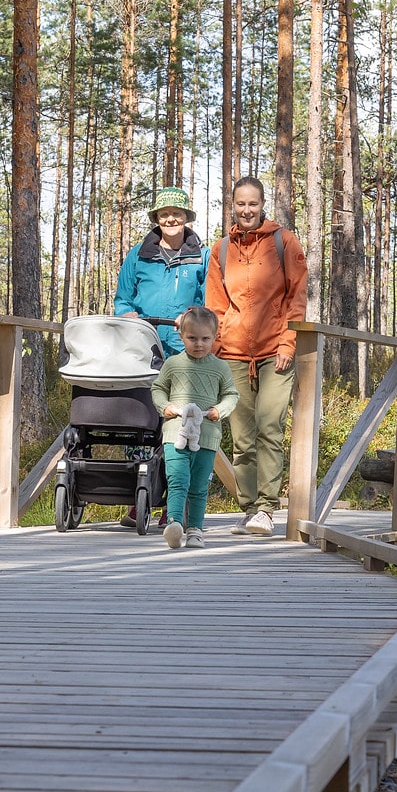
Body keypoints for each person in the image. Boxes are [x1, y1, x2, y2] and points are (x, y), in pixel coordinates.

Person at [205, 176, 308, 536]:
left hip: (274, 352)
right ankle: (248, 509)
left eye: (253, 203)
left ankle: (267, 507)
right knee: (242, 436)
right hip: (232, 354)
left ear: (263, 204)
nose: (246, 210)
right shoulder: (220, 250)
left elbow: (297, 298)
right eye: (240, 204)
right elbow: (215, 305)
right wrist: (215, 349)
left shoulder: (284, 242)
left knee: (269, 427)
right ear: (232, 205)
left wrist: (288, 342)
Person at [152, 306, 240, 550]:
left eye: (205, 339)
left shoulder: (220, 368)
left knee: (199, 486)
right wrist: (165, 406)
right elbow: (157, 388)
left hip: (207, 435)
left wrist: (218, 411)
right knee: (177, 480)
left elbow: (231, 395)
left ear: (214, 337)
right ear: (182, 337)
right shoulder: (172, 364)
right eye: (192, 338)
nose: (199, 344)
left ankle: (195, 530)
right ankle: (174, 524)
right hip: (175, 433)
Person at [114, 187, 207, 356]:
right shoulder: (137, 255)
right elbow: (123, 299)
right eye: (164, 214)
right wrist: (125, 315)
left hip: (186, 348)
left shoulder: (202, 257)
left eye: (177, 213)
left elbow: (211, 304)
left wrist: (192, 319)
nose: (170, 219)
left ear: (186, 217)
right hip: (142, 347)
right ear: (157, 218)